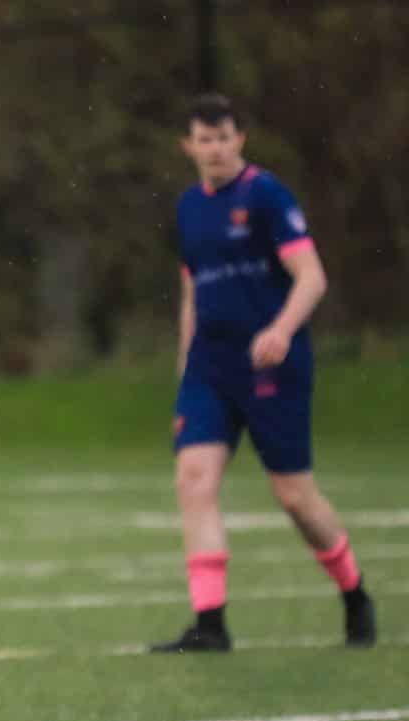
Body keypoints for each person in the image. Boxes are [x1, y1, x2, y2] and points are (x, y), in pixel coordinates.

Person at [153, 93, 375, 653]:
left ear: (240, 140)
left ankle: (353, 592)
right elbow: (191, 290)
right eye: (205, 139)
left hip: (271, 365)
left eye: (225, 137)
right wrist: (185, 364)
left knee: (294, 496)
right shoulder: (188, 208)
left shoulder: (265, 195)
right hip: (210, 368)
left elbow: (312, 277)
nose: (216, 148)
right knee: (193, 479)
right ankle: (210, 623)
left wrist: (280, 330)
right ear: (188, 146)